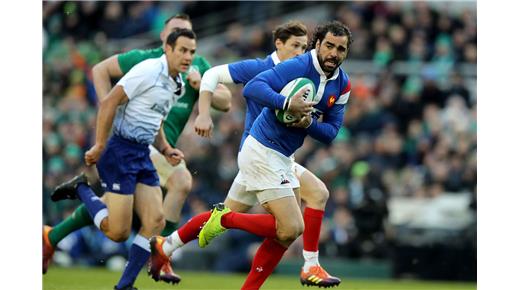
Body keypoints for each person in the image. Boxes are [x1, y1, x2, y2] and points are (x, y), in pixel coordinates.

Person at [149, 21, 353, 289]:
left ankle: (167, 245)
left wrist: (307, 124)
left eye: (341, 49)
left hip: (279, 155)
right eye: (328, 46)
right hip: (260, 150)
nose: (334, 53)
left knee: (289, 226)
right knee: (292, 224)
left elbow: (330, 133)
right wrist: (286, 103)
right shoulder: (285, 67)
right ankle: (309, 264)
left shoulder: (341, 83)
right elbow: (244, 86)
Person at [42, 14, 231, 283]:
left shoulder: (179, 81)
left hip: (144, 151)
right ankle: (83, 191)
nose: (189, 55)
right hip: (120, 149)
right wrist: (101, 141)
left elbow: (164, 119)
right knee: (123, 227)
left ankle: (125, 283)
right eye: (182, 46)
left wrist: (166, 149)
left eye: (192, 49)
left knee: (154, 221)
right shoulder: (146, 66)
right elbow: (107, 97)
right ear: (166, 41)